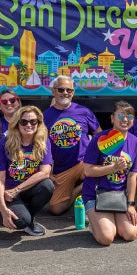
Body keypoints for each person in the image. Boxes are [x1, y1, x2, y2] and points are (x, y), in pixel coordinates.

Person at [0, 106, 54, 240]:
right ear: (17, 123)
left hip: (21, 188)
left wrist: (17, 190)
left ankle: (28, 219)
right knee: (19, 221)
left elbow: (45, 172)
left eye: (33, 122)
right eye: (24, 122)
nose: (29, 125)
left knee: (47, 186)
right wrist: (4, 210)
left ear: (39, 124)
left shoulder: (43, 141)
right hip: (0, 189)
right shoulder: (5, 143)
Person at [81, 101, 137, 245]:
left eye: (129, 116)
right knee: (106, 238)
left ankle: (111, 221)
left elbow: (133, 176)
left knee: (130, 234)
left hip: (119, 197)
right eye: (120, 115)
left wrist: (131, 205)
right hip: (96, 195)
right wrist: (113, 167)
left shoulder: (136, 143)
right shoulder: (99, 139)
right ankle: (94, 224)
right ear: (112, 118)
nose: (125, 119)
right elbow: (88, 171)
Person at [43, 76, 100, 216]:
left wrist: (99, 160)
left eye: (69, 90)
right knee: (56, 209)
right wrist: (47, 171)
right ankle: (80, 189)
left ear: (73, 93)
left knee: (101, 174)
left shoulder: (84, 112)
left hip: (83, 162)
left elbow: (99, 135)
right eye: (61, 89)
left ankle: (90, 190)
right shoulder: (44, 116)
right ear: (53, 91)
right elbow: (41, 146)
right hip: (62, 168)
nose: (65, 93)